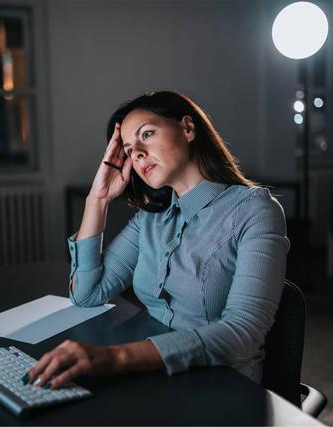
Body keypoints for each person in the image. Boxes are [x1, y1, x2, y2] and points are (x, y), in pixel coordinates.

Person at [24, 90, 289, 390]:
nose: (136, 153)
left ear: (188, 128)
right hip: (154, 375)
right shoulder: (150, 219)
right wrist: (97, 199)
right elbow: (87, 294)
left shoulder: (255, 209)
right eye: (128, 148)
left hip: (223, 387)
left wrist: (117, 357)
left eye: (146, 134)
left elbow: (243, 333)